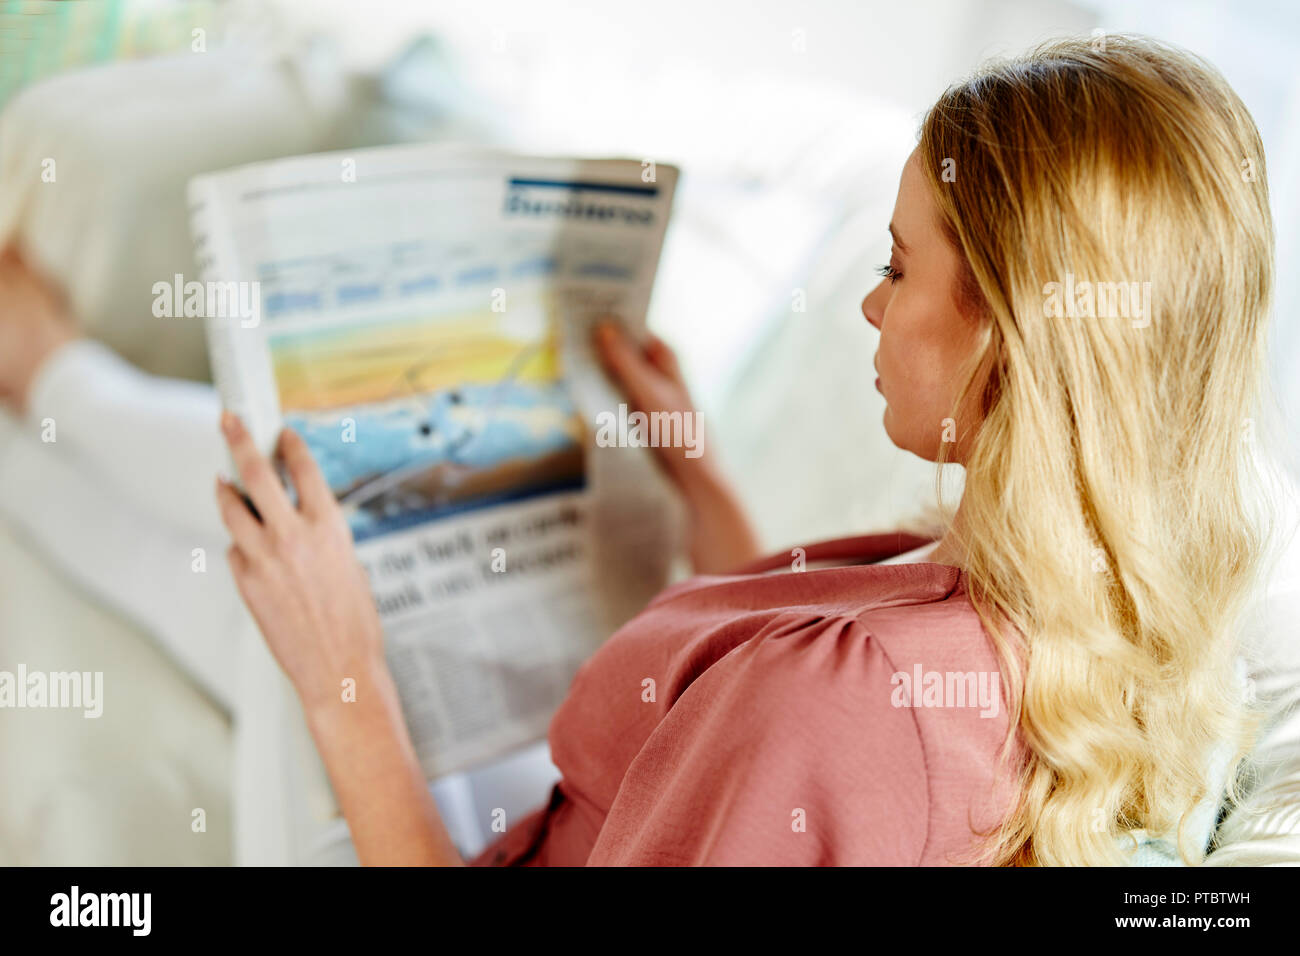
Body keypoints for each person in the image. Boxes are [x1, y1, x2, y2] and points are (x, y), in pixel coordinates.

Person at [0, 34, 1285, 865]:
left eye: (898, 267)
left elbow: (818, 736)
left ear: (1010, 336)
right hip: (556, 804)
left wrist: (344, 674)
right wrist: (709, 488)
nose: (871, 303)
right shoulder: (1101, 600)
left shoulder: (845, 706)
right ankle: (42, 396)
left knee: (275, 548)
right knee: (288, 525)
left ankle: (44, 376)